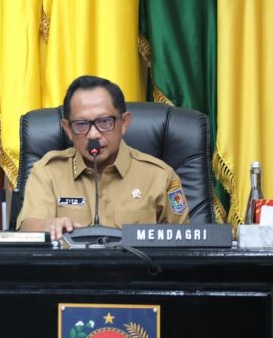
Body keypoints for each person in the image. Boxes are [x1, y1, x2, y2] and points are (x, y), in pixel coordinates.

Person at [17, 75, 190, 241]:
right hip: (68, 270)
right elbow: (28, 228)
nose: (93, 134)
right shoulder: (48, 172)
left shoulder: (159, 176)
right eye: (81, 124)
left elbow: (184, 244)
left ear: (124, 123)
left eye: (104, 122)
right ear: (67, 129)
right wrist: (48, 225)